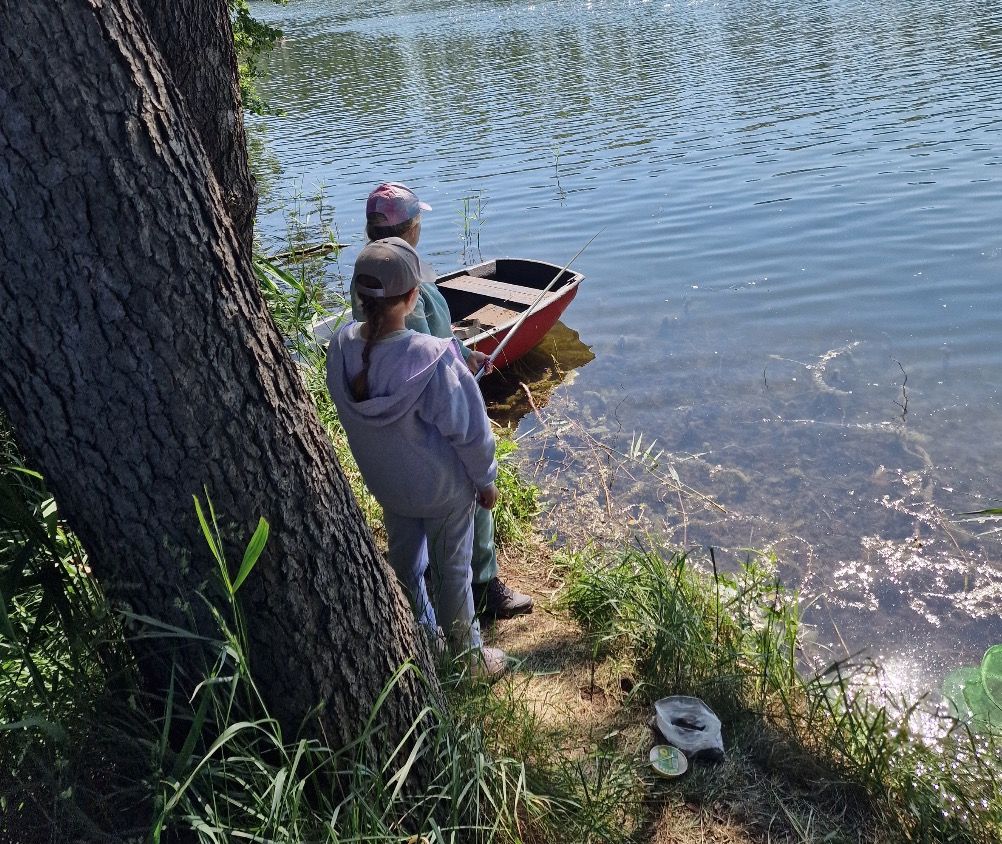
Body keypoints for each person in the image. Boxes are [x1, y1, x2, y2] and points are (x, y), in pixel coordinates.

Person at [353, 182, 533, 620]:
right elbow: (439, 371)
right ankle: (483, 587)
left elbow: (429, 341)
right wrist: (458, 365)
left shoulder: (372, 281)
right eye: (420, 220)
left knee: (407, 541)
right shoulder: (410, 287)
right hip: (433, 435)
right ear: (412, 227)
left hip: (394, 455)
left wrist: (463, 353)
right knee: (475, 495)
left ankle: (419, 615)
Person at [327, 237, 506, 675]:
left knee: (406, 563)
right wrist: (485, 480)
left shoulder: (339, 347)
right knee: (453, 574)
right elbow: (471, 431)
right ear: (412, 298)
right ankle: (467, 658)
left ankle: (422, 636)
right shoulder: (432, 357)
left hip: (390, 487)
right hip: (443, 492)